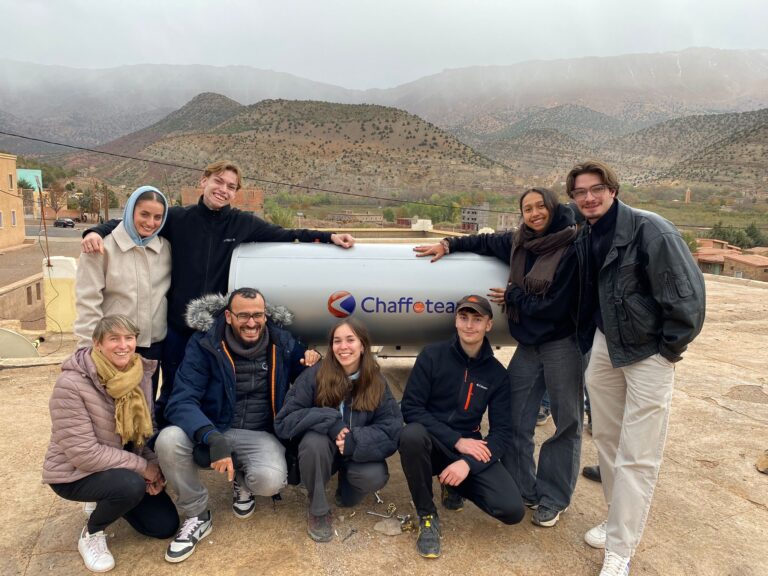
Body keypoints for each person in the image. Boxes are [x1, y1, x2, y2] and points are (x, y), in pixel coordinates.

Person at [81, 160, 355, 416]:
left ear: (236, 192)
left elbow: (285, 234)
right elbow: (128, 223)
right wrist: (94, 231)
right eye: (218, 181)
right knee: (170, 390)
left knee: (211, 391)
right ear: (204, 181)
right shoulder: (177, 218)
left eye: (231, 186)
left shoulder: (243, 223)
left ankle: (204, 441)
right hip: (175, 329)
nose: (223, 190)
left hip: (214, 331)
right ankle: (163, 446)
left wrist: (328, 236)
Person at [567, 160, 706, 576]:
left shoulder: (651, 230)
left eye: (596, 189)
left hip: (648, 353)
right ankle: (615, 521)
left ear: (613, 189)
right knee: (608, 439)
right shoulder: (586, 233)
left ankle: (620, 551)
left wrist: (667, 352)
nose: (588, 198)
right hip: (607, 346)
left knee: (638, 453)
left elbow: (688, 299)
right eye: (580, 192)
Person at [414, 187, 582, 528]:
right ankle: (525, 487)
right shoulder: (520, 241)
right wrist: (447, 244)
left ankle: (553, 497)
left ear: (552, 207)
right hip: (530, 344)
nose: (534, 213)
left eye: (540, 207)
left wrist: (515, 295)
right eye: (527, 208)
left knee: (565, 426)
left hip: (563, 343)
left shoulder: (572, 246)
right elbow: (482, 242)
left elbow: (557, 306)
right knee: (518, 420)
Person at [154, 287, 320, 563]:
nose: (252, 323)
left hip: (258, 433)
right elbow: (181, 401)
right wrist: (210, 436)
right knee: (168, 440)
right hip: (212, 427)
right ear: (229, 316)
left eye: (258, 315)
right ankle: (197, 514)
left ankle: (242, 480)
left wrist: (313, 360)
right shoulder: (204, 344)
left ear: (266, 315)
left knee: (270, 481)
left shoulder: (283, 342)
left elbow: (308, 374)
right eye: (243, 315)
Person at [42, 315, 179, 573]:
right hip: (75, 473)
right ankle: (92, 533)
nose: (123, 345)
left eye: (129, 338)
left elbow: (145, 432)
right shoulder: (71, 384)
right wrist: (141, 468)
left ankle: (111, 495)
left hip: (121, 465)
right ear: (97, 343)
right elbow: (84, 454)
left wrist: (153, 467)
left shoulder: (139, 374)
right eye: (114, 339)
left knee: (164, 526)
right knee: (129, 485)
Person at [399, 295, 524, 559]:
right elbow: (410, 409)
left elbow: (502, 434)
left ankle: (454, 483)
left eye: (477, 319)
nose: (469, 325)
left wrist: (467, 463)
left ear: (488, 325)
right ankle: (427, 515)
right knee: (411, 435)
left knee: (512, 510)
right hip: (431, 443)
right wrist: (456, 440)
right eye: (464, 318)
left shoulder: (497, 374)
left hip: (466, 452)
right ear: (455, 321)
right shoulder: (432, 355)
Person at [275, 319, 403, 542]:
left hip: (356, 453)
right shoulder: (314, 375)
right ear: (331, 346)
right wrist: (330, 420)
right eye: (337, 341)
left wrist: (356, 440)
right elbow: (284, 421)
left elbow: (392, 430)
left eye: (350, 340)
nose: (343, 347)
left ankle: (346, 490)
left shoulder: (377, 381)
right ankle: (317, 509)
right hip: (323, 451)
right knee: (314, 442)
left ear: (363, 345)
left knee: (374, 476)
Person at [74, 185, 171, 403]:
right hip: (113, 347)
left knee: (144, 414)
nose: (150, 222)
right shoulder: (100, 247)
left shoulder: (166, 248)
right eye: (144, 214)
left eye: (158, 217)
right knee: (110, 415)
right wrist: (87, 350)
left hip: (153, 349)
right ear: (129, 212)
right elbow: (87, 301)